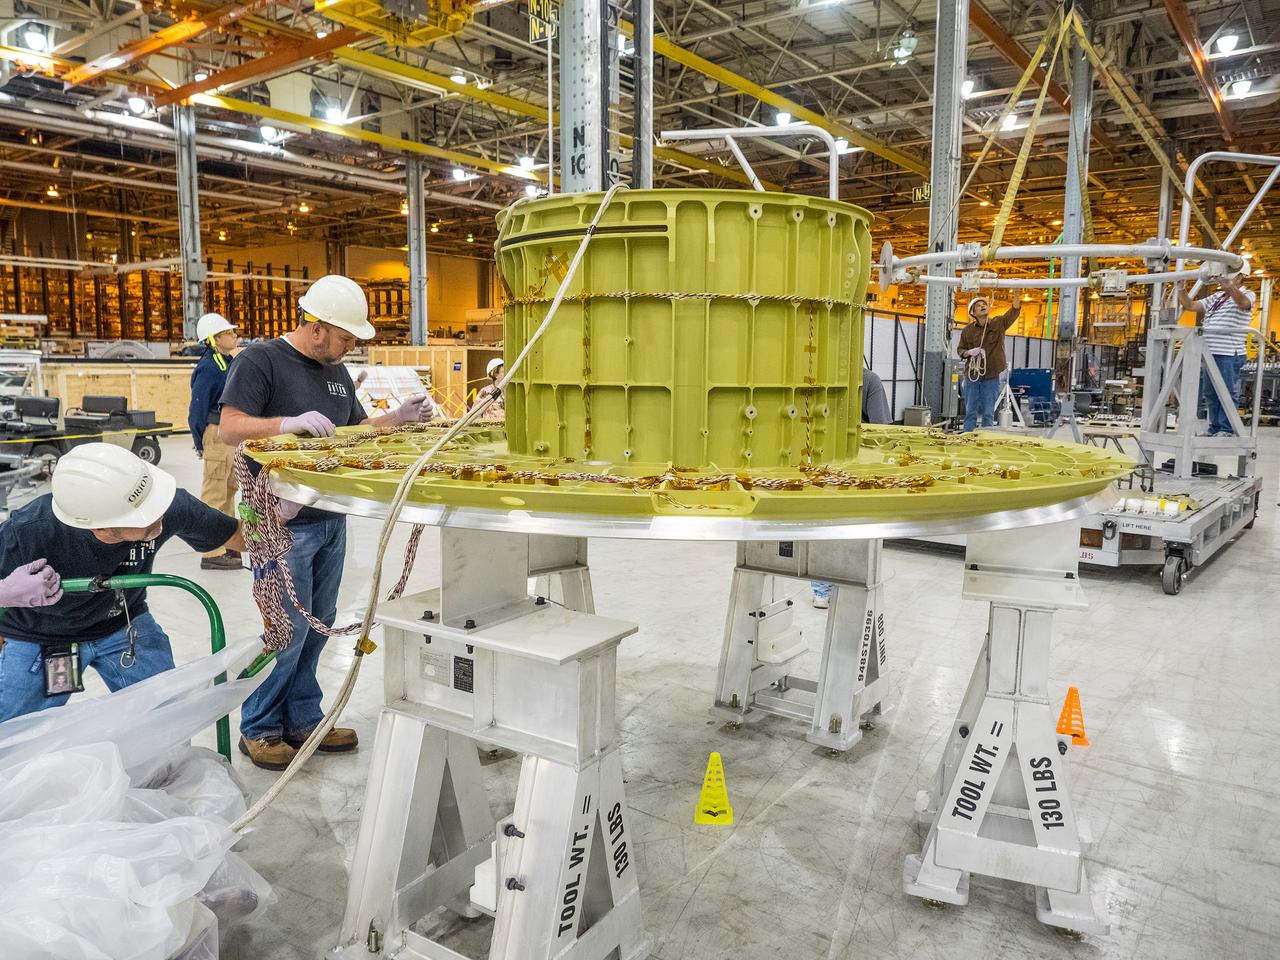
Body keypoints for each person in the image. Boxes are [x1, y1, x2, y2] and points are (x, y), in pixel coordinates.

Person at [218, 274, 432, 770]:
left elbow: (354, 430)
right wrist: (285, 424)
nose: (351, 346)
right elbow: (229, 427)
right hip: (279, 521)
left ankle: (303, 719)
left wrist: (397, 419)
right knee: (286, 629)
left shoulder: (337, 373)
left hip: (329, 516)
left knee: (318, 625)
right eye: (346, 337)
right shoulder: (260, 361)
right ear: (316, 327)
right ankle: (259, 727)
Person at [0, 444, 244, 723]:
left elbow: (237, 536)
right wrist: (6, 592)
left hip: (124, 623)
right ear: (99, 527)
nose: (158, 515)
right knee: (12, 732)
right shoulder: (28, 531)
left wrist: (276, 521)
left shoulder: (166, 505)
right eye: (145, 515)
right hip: (41, 635)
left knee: (168, 718)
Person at [812, 369, 892, 609]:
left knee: (824, 525)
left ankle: (822, 590)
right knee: (859, 526)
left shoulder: (813, 376)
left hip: (820, 463)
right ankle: (854, 590)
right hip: (858, 466)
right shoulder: (869, 380)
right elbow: (881, 430)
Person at [188, 311, 243, 571]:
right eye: (229, 333)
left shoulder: (228, 362)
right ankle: (211, 553)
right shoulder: (209, 367)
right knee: (214, 492)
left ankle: (227, 543)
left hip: (230, 433)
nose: (235, 336)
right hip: (216, 432)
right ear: (215, 339)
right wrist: (200, 441)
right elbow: (197, 409)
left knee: (229, 490)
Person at [1177, 271, 1257, 436]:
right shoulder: (1217, 297)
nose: (1224, 279)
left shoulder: (1248, 294)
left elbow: (1243, 303)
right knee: (1210, 393)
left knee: (1226, 392)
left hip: (1228, 352)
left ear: (1240, 277)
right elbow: (1190, 306)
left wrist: (1230, 286)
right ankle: (1214, 427)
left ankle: (1226, 428)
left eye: (1230, 275)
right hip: (1210, 352)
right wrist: (1181, 289)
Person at [955, 295, 1021, 432]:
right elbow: (960, 349)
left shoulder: (998, 323)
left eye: (984, 304)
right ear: (973, 313)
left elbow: (1014, 311)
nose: (982, 306)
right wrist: (968, 352)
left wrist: (1016, 292)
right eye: (978, 305)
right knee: (970, 410)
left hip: (991, 375)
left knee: (988, 411)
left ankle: (985, 437)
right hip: (972, 375)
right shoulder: (967, 330)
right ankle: (968, 436)